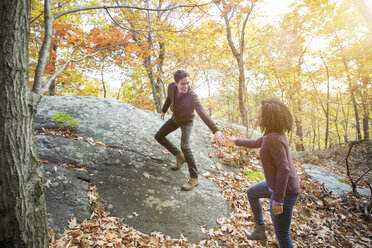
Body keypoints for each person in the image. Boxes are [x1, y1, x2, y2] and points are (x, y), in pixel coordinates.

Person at [231, 98, 301, 247]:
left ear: (268, 116)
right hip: (276, 185)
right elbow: (256, 143)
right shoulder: (271, 134)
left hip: (285, 192)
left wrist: (278, 199)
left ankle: (261, 229)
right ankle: (260, 229)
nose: (257, 115)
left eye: (259, 112)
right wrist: (235, 141)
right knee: (251, 193)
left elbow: (284, 169)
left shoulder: (274, 138)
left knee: (282, 235)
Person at [155, 70, 225, 191]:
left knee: (185, 145)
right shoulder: (171, 87)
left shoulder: (192, 96)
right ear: (176, 83)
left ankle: (194, 177)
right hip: (175, 119)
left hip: (187, 121)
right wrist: (163, 110)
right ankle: (179, 155)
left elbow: (202, 112)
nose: (186, 86)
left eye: (187, 83)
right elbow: (169, 98)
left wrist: (215, 130)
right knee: (159, 136)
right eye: (183, 83)